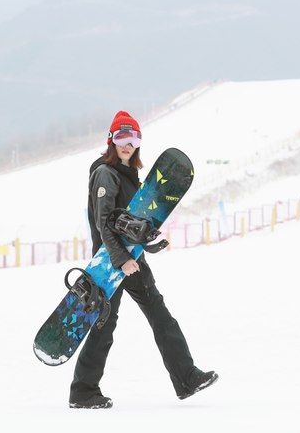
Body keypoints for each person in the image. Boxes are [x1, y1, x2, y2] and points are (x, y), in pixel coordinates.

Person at [69, 110, 218, 409]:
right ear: (111, 139)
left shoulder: (128, 174)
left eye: (133, 137)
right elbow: (104, 223)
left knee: (160, 314)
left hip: (131, 260)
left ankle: (186, 377)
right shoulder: (105, 174)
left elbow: (130, 220)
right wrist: (122, 259)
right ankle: (83, 392)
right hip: (110, 263)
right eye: (122, 137)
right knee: (105, 325)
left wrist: (148, 240)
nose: (128, 143)